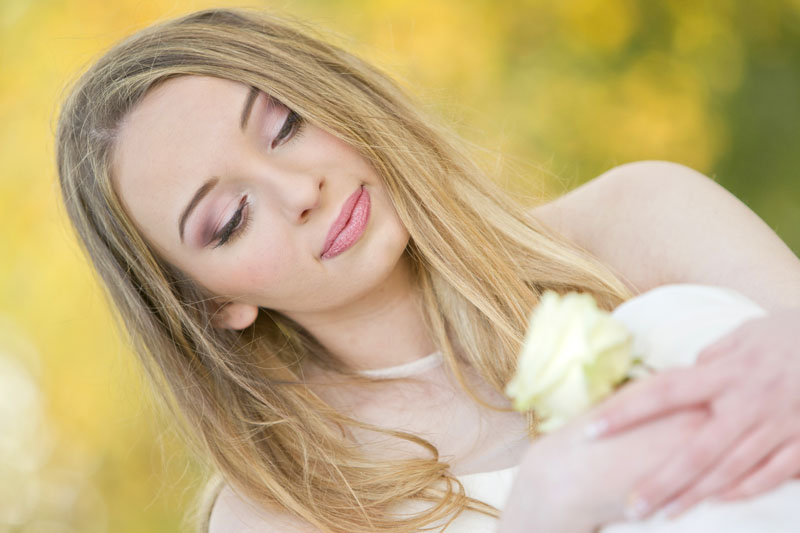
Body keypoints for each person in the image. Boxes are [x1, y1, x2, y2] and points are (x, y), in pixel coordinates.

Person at [55, 7, 800, 532]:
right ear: (212, 304)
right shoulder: (278, 513)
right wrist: (543, 510)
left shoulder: (638, 220)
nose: (299, 190)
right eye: (230, 219)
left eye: (285, 125)